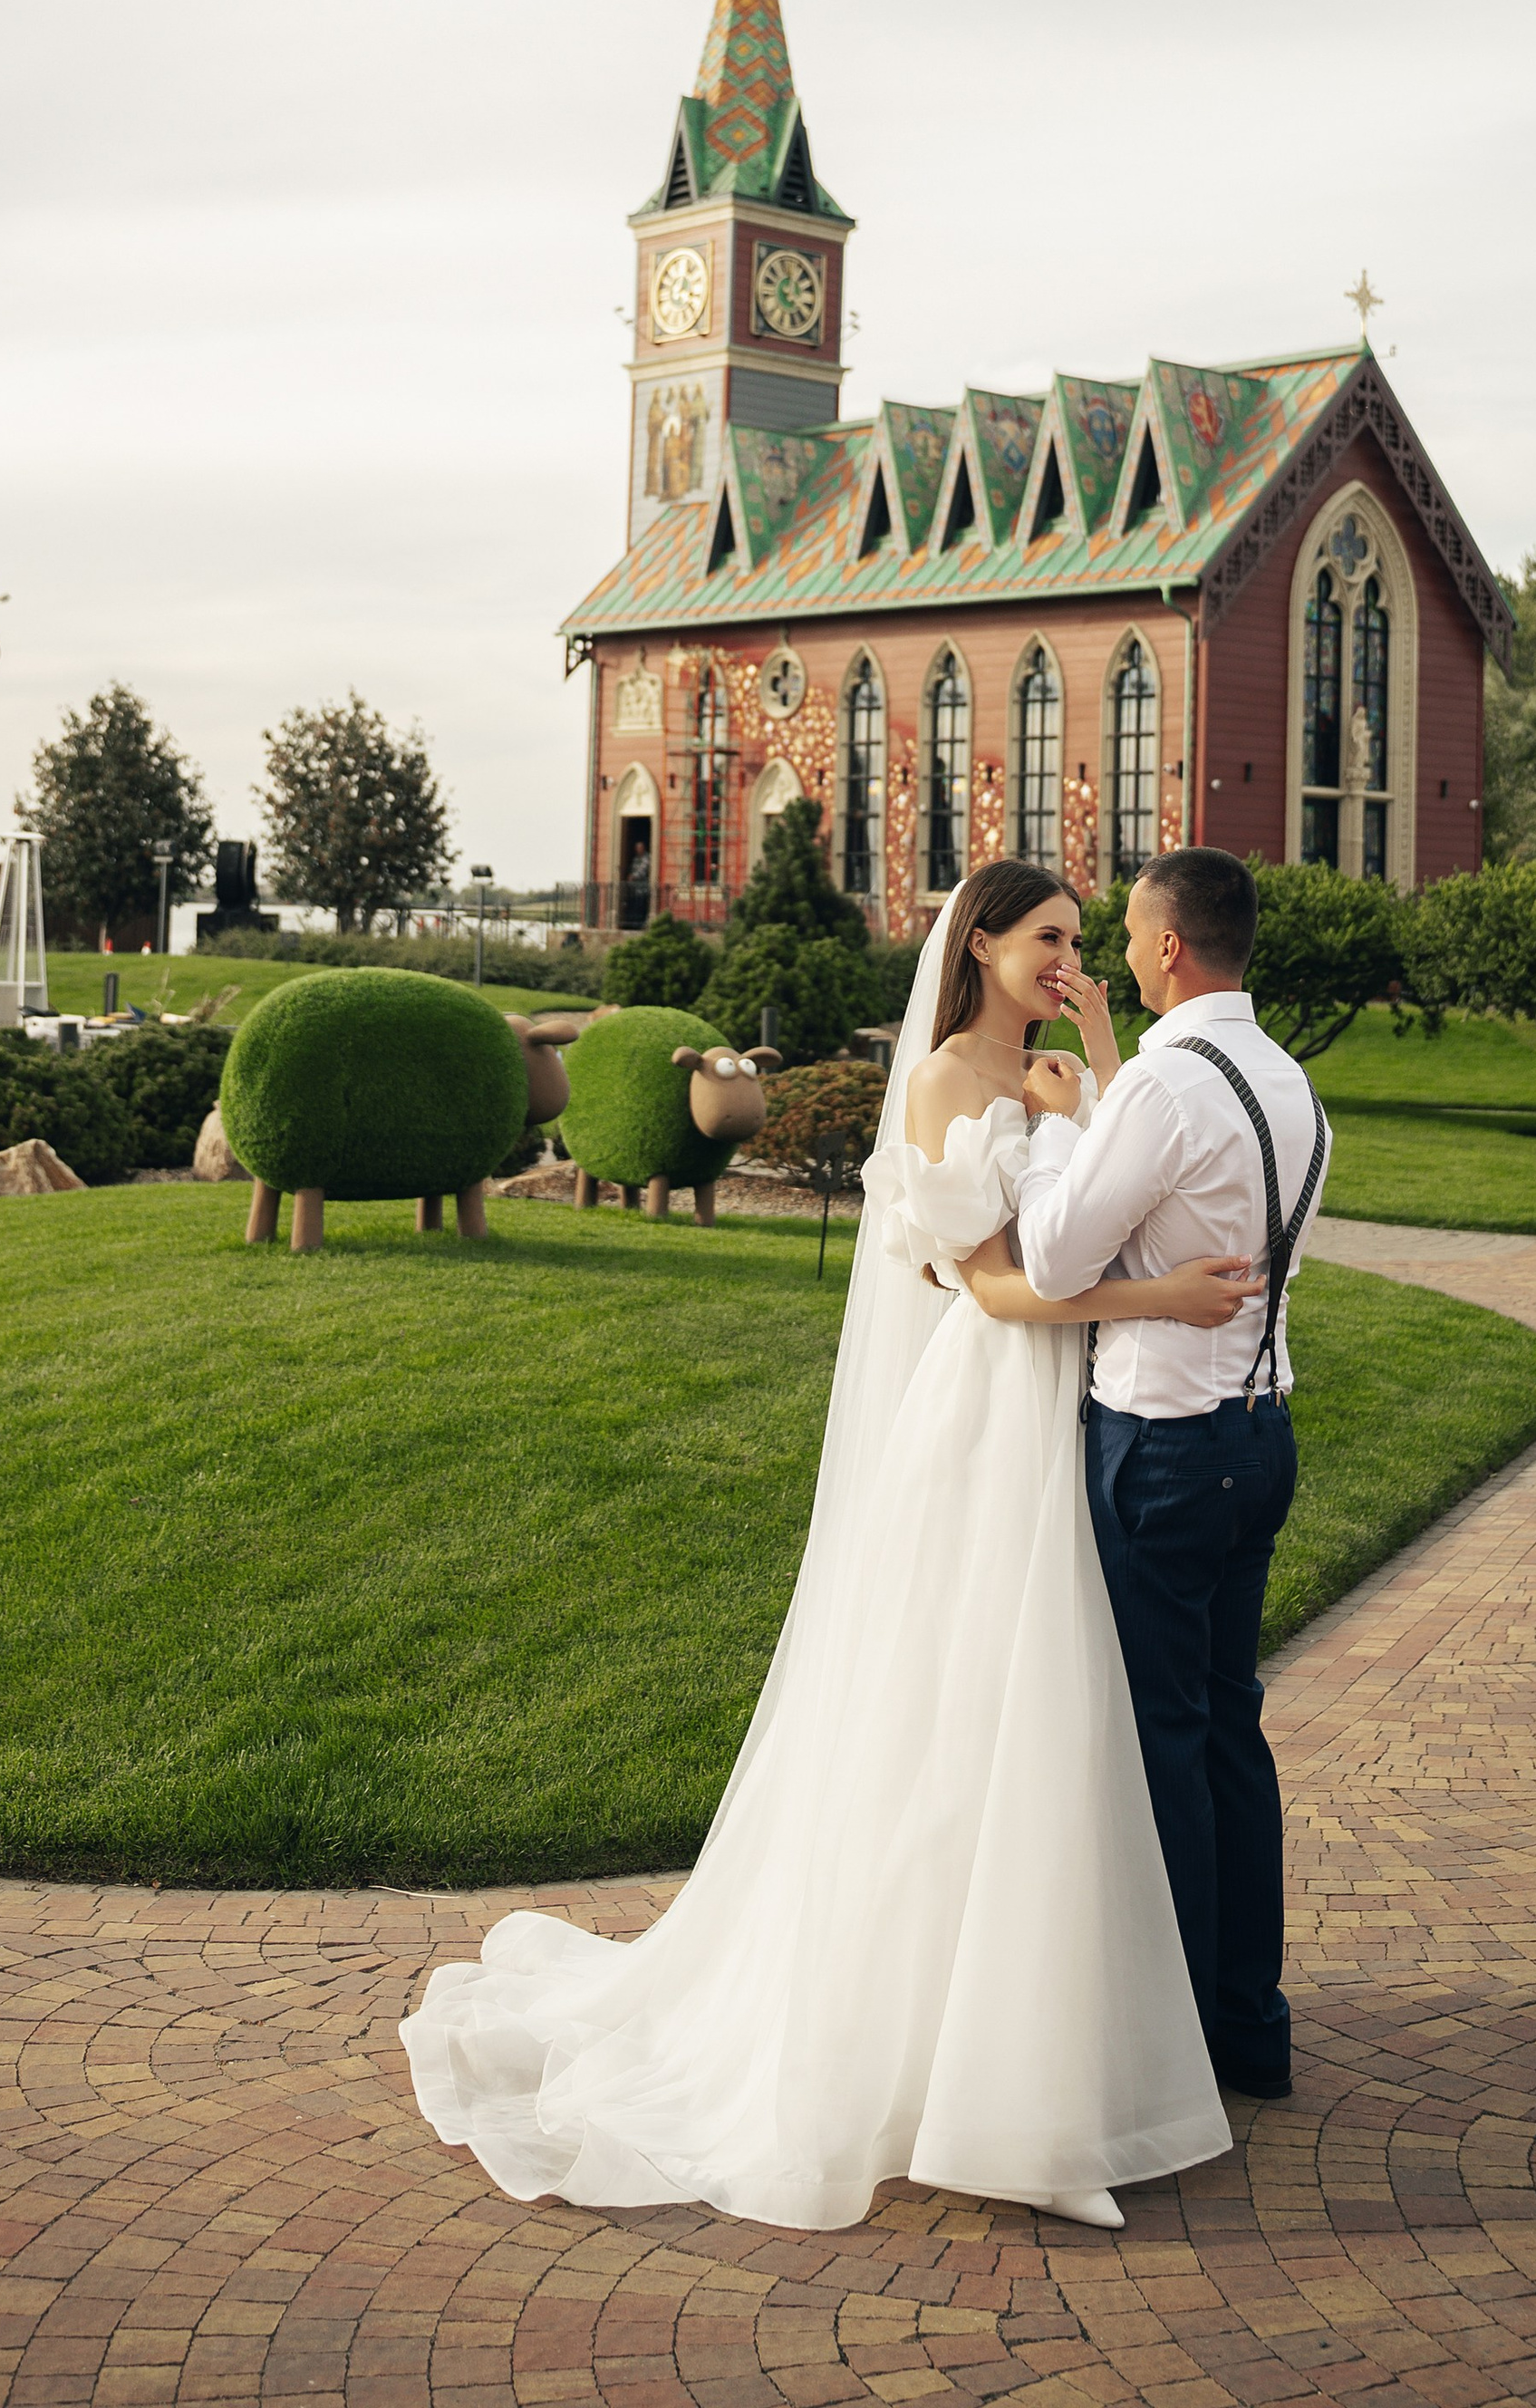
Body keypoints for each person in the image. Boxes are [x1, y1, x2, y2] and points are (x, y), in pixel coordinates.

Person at [401, 859, 1256, 2230]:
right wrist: (1163, 1290)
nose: (1069, 961)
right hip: (990, 1414)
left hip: (1068, 1420)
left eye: (1084, 944)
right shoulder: (940, 1088)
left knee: (1054, 1723)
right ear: (978, 946)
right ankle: (926, 2061)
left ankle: (1037, 2055)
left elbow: (1096, 1178)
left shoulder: (1063, 1076)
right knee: (967, 1716)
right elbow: (992, 1284)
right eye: (1048, 940)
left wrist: (1093, 1056)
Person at [1015, 848, 1330, 2106]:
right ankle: (1250, 2026)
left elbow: (1049, 1259)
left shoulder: (1158, 1087)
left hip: (1164, 1447)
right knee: (1228, 1730)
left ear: (1164, 950)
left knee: (1163, 1744)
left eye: (1130, 939)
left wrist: (1048, 1135)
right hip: (1262, 1434)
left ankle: (1177, 2045)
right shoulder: (1292, 1082)